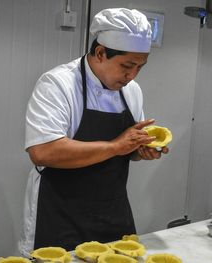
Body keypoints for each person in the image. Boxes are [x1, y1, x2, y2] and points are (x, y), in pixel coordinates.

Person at [18, 7, 169, 256]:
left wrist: (140, 151)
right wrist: (116, 146)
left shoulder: (131, 91)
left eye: (140, 67)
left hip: (112, 214)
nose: (132, 75)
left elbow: (127, 149)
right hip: (60, 216)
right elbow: (43, 151)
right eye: (127, 66)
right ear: (100, 53)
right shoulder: (57, 84)